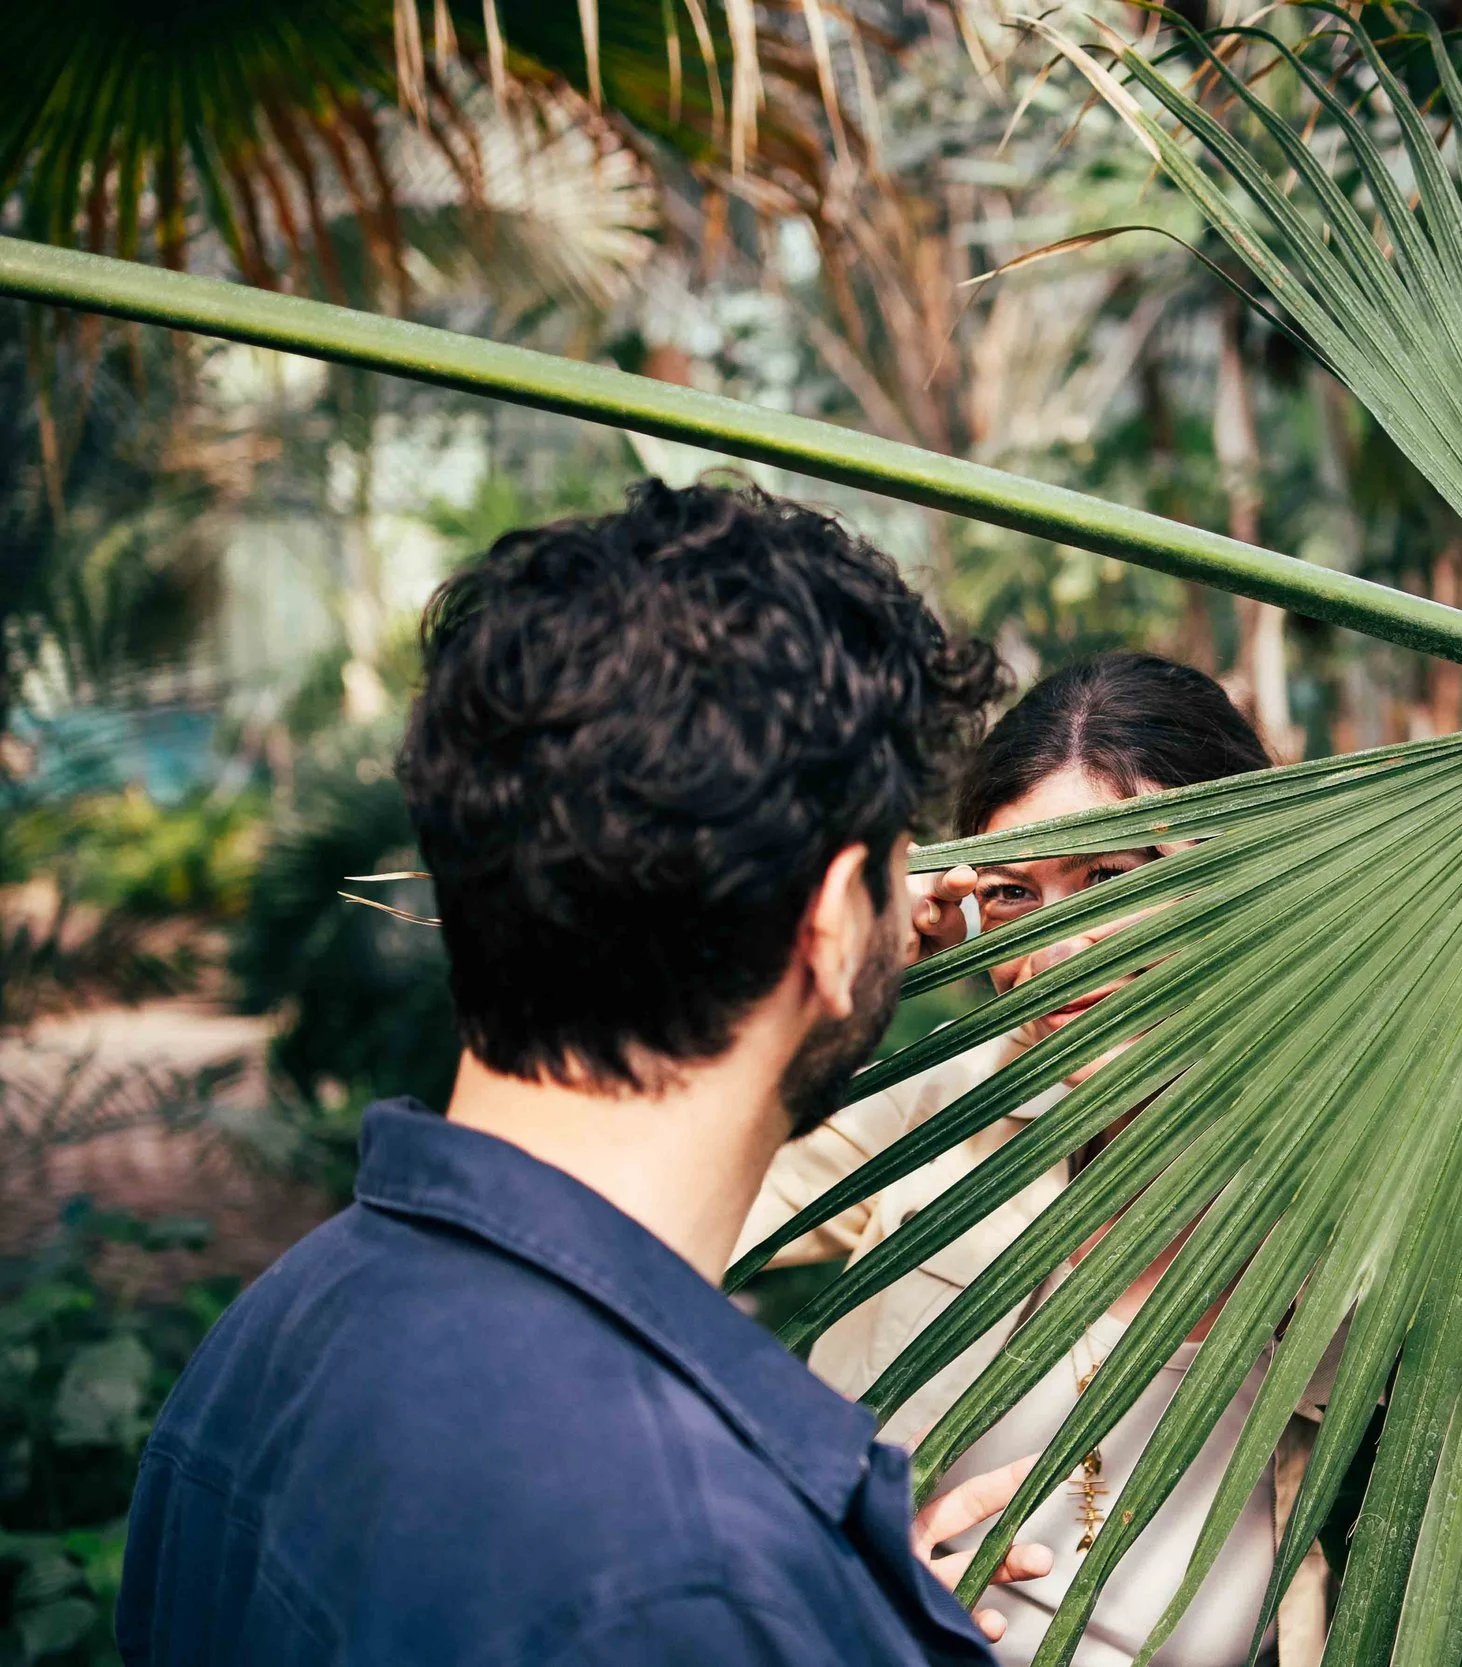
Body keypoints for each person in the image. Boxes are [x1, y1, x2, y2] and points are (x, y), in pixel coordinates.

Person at [117, 480, 1053, 1665]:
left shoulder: (276, 1337)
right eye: (897, 879)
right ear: (828, 926)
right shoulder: (683, 1579)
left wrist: (832, 1609)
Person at [739, 652, 1335, 1667]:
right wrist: (857, 968)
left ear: (1235, 877)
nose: (1059, 947)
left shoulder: (1352, 1173)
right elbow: (656, 1214)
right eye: (1015, 892)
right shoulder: (941, 1105)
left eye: (1111, 878)